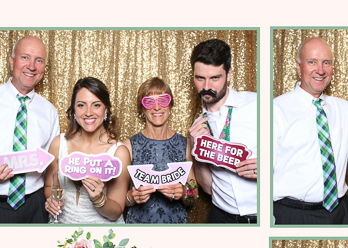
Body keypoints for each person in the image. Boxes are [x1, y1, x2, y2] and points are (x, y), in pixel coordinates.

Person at [273, 37, 348, 225]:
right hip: (293, 214)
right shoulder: (276, 110)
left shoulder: (342, 108)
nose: (320, 70)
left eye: (326, 63)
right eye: (312, 62)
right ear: (299, 67)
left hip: (339, 212)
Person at [0, 36, 60, 223]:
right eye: (25, 57)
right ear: (11, 60)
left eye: (38, 60)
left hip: (35, 206)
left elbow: (52, 165)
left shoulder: (49, 111)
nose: (31, 66)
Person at [187, 39, 257, 224]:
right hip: (221, 217)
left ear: (229, 74)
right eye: (200, 78)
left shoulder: (257, 105)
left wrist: (272, 166)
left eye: (215, 78)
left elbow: (292, 152)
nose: (206, 86)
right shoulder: (198, 126)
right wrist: (197, 150)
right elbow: (208, 188)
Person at [44, 77, 131, 224]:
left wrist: (99, 198)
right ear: (73, 110)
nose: (88, 112)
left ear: (106, 110)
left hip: (102, 237)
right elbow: (49, 186)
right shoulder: (59, 144)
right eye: (81, 105)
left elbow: (115, 213)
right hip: (63, 233)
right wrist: (51, 200)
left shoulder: (119, 153)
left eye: (96, 105)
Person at [123, 77, 196, 224]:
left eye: (163, 100)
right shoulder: (128, 146)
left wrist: (183, 194)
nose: (157, 107)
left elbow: (194, 198)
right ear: (142, 109)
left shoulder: (185, 144)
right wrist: (131, 197)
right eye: (149, 102)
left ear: (170, 106)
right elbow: (118, 201)